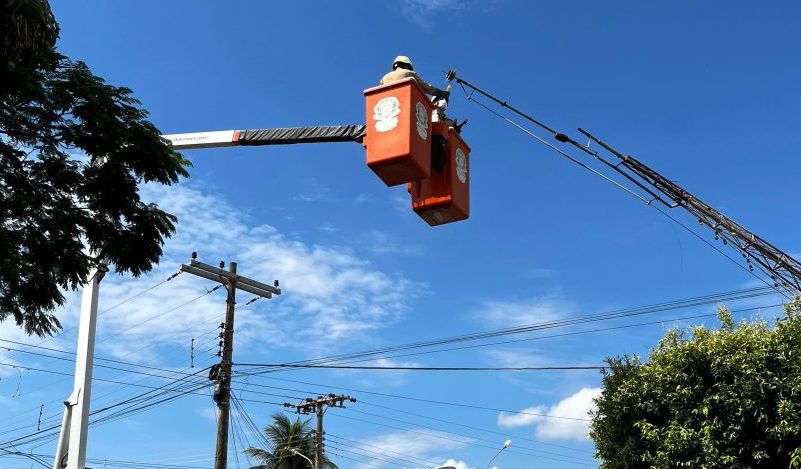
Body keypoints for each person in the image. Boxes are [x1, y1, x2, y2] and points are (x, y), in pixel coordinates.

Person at [380, 56, 449, 100]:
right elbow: (426, 87)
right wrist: (442, 93)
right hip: (404, 102)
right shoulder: (409, 73)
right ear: (405, 65)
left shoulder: (384, 78)